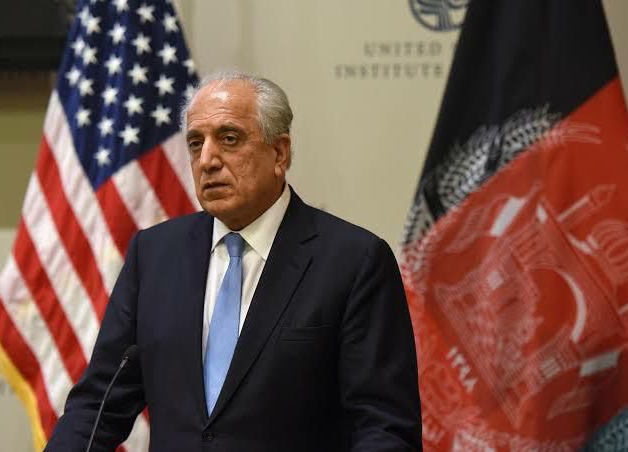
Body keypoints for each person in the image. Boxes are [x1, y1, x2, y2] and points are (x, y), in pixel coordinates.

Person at [45, 71, 422, 451]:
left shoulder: (353, 261)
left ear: (280, 153)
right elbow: (99, 404)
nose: (207, 160)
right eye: (196, 143)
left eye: (229, 139)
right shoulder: (155, 255)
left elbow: (384, 428)